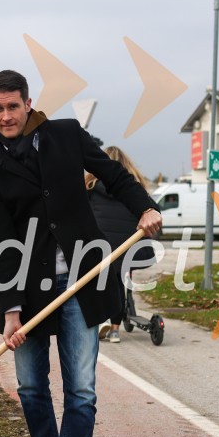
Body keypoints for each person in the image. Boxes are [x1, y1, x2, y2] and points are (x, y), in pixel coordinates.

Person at [0, 70, 161, 437]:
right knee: (32, 386)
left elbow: (113, 174)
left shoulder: (65, 135)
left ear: (27, 103)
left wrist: (145, 208)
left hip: (85, 276)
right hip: (28, 289)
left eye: (12, 106)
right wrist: (10, 311)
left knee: (81, 387)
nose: (5, 116)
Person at [87, 146, 156, 343]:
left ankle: (102, 320)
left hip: (103, 245)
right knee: (119, 281)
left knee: (99, 281)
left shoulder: (91, 186)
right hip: (132, 247)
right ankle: (115, 330)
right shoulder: (135, 189)